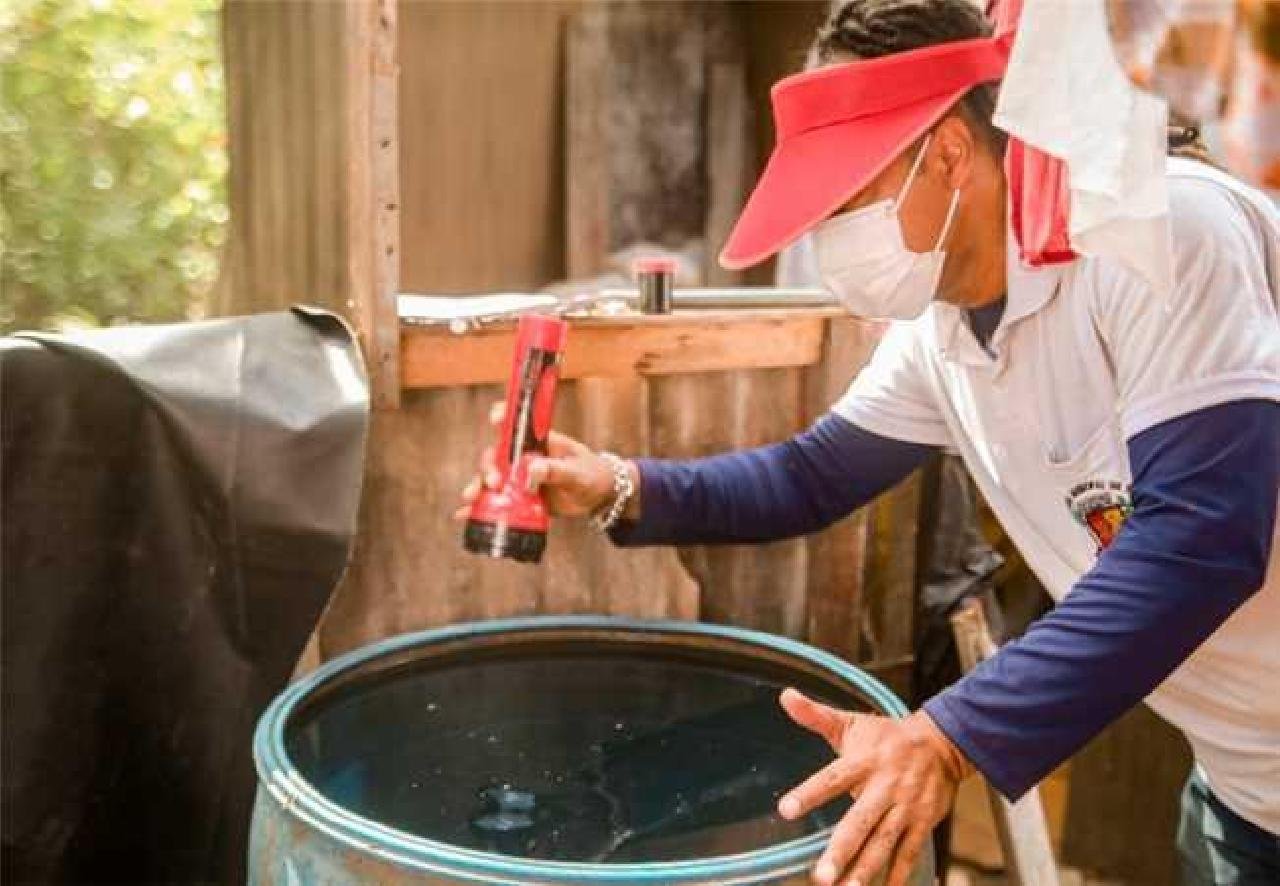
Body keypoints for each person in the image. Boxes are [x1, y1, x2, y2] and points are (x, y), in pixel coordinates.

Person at [458, 1, 1280, 884]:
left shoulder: (1161, 235)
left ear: (952, 153)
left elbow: (1203, 539)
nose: (830, 236)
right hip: (1244, 783)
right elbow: (806, 478)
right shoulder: (946, 335)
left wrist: (951, 734)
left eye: (848, 197)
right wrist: (615, 484)